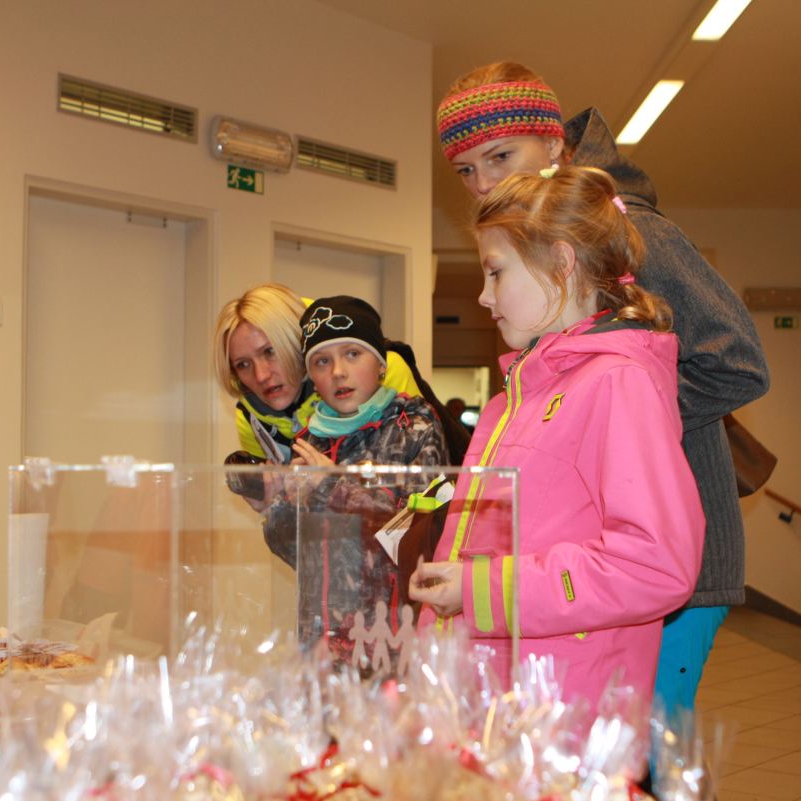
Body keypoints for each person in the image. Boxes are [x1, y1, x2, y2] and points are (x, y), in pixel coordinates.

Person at [436, 63, 770, 715]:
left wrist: (605, 418)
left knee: (644, 753)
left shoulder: (627, 228)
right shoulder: (535, 251)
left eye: (500, 156)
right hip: (578, 570)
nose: (483, 183)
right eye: (466, 170)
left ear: (554, 144)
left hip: (663, 562)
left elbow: (738, 361)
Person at [410, 166, 705, 709]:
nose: (483, 296)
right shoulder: (514, 401)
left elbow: (653, 564)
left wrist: (479, 591)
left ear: (562, 263)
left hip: (565, 706)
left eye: (496, 272)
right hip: (498, 697)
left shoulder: (619, 382)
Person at [262, 296, 449, 666]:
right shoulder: (309, 440)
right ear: (311, 377)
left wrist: (330, 487)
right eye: (322, 361)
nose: (338, 372)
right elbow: (297, 555)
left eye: (352, 354)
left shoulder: (415, 428)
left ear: (381, 364)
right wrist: (277, 506)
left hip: (392, 645)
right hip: (320, 645)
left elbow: (415, 540)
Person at [213, 283, 469, 474]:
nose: (261, 375)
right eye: (243, 364)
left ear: (294, 344)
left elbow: (408, 503)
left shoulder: (381, 374)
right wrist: (272, 502)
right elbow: (293, 518)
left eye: (270, 352)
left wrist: (329, 485)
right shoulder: (250, 417)